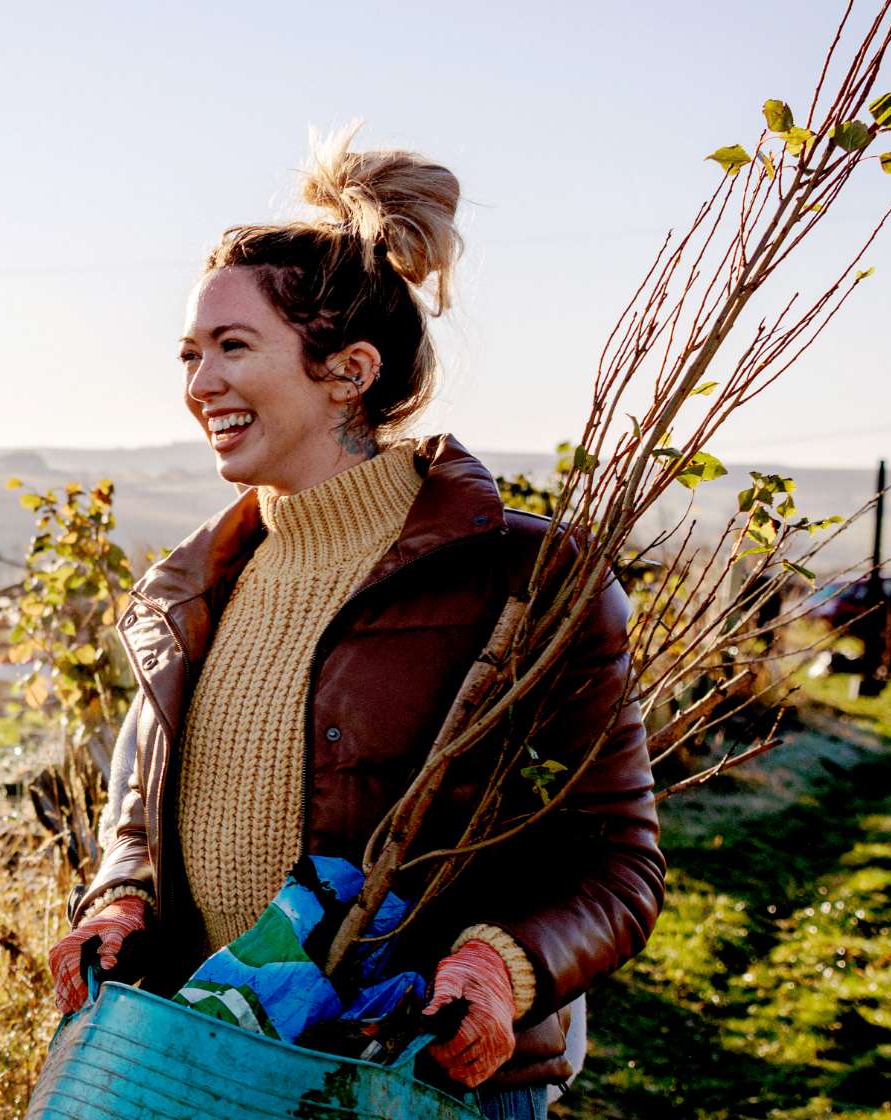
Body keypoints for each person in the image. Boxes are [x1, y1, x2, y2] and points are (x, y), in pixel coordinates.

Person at [44, 134, 662, 1119]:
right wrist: (120, 900)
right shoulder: (193, 587)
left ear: (349, 370)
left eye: (233, 347)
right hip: (208, 1063)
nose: (200, 382)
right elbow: (137, 811)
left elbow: (617, 856)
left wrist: (499, 968)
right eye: (191, 354)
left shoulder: (521, 575)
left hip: (417, 1079)